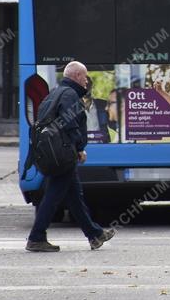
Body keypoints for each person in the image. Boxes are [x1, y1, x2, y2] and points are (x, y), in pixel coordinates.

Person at [26, 61, 114, 252]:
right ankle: (36, 237)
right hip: (64, 154)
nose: (86, 80)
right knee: (53, 196)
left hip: (53, 153)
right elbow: (70, 123)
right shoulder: (70, 94)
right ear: (76, 76)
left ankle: (95, 235)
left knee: (74, 197)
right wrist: (79, 148)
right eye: (84, 76)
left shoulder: (54, 93)